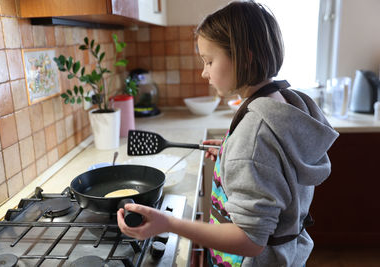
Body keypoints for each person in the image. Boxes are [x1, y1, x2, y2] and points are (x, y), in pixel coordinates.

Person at [117, 1, 339, 266]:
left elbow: (250, 240)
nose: (204, 72)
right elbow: (273, 167)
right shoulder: (285, 103)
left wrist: (170, 224)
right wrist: (230, 153)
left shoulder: (253, 138)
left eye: (209, 61)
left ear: (245, 57)